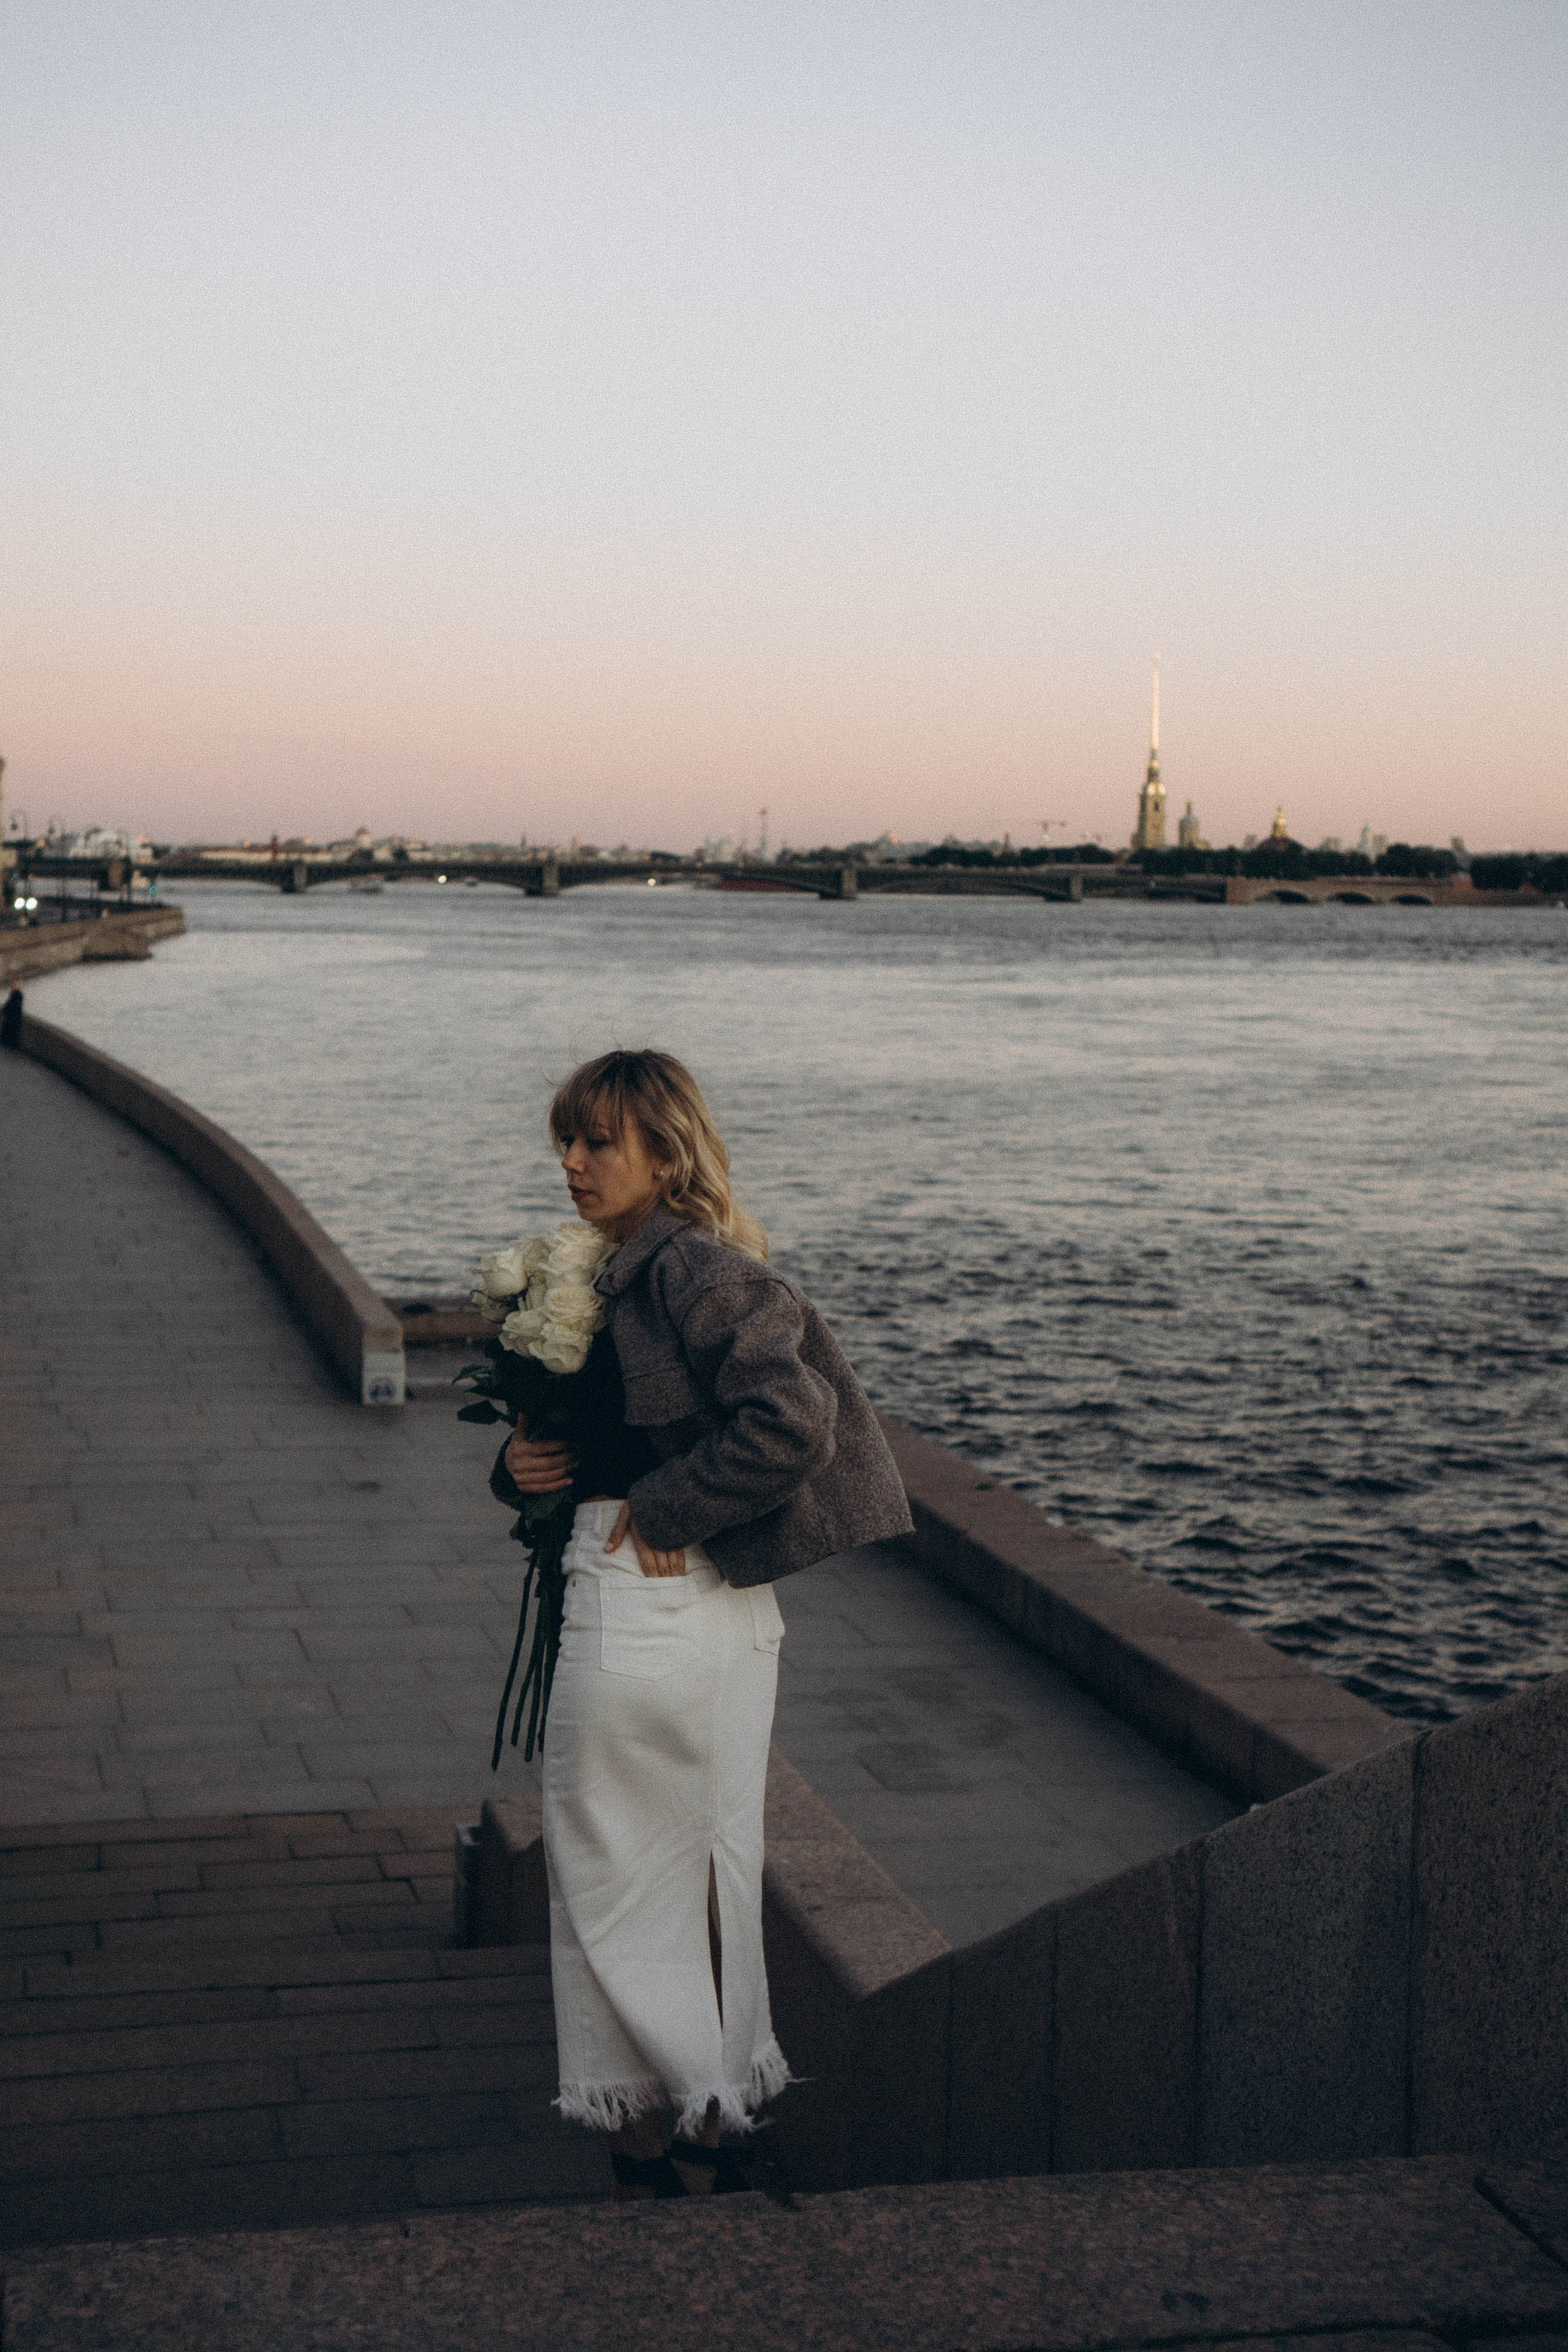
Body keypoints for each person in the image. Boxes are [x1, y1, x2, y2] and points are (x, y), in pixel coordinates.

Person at [491, 1048, 912, 2199]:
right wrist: (519, 1466)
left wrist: (668, 1505)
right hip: (711, 1620)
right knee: (706, 1862)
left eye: (598, 1143)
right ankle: (710, 2125)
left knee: (610, 1879)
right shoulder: (629, 1269)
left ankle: (649, 2145)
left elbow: (794, 1421)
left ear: (666, 1155)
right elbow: (596, 1440)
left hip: (646, 1612)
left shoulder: (689, 1267)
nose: (571, 1164)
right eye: (566, 1142)